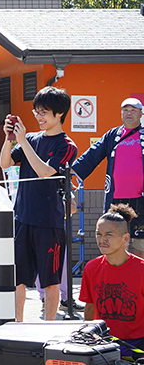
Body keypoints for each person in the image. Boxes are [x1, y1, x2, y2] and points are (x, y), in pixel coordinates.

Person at [0, 86, 78, 322]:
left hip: (50, 222)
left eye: (45, 112)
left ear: (59, 114)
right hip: (22, 217)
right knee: (19, 278)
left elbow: (45, 171)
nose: (39, 117)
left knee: (50, 279)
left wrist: (23, 142)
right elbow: (4, 163)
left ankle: (49, 327)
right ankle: (17, 324)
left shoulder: (66, 145)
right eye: (37, 112)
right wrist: (9, 139)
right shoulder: (30, 139)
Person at [73, 98, 144, 258]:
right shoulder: (113, 135)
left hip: (141, 199)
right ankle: (119, 278)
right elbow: (92, 154)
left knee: (142, 243)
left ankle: (140, 281)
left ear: (141, 113)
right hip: (116, 199)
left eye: (133, 110)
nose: (129, 113)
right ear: (121, 113)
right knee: (116, 242)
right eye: (125, 110)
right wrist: (71, 171)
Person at [79, 204, 144, 359]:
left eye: (109, 234)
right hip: (103, 343)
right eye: (99, 234)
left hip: (138, 345)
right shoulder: (91, 267)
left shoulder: (141, 269)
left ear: (125, 238)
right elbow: (89, 308)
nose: (102, 240)